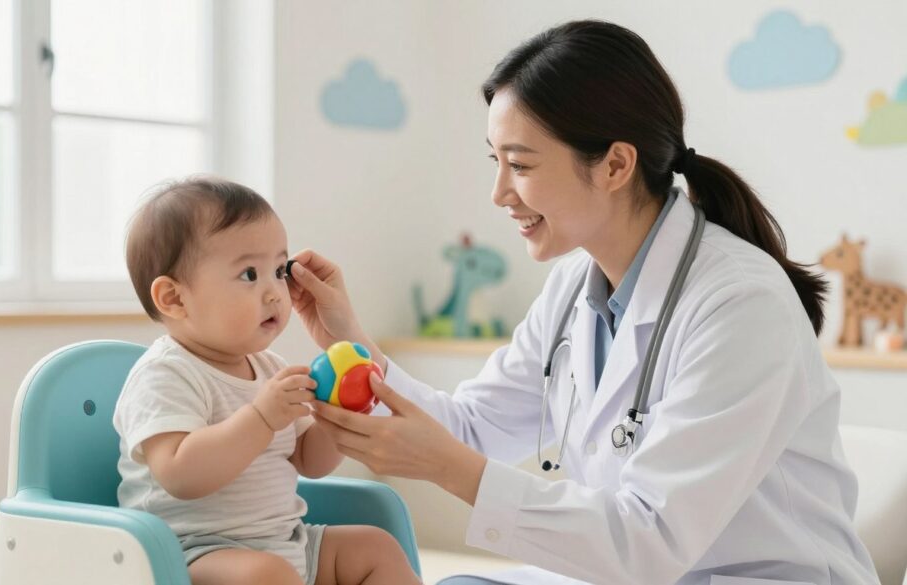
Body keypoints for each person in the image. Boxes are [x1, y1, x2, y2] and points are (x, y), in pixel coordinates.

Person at [283, 21, 881, 585]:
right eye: (496, 162)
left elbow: (650, 539)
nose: (499, 194)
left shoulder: (740, 304)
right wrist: (349, 345)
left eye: (520, 164)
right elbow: (474, 427)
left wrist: (447, 468)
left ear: (616, 164)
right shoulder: (574, 286)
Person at [113, 176, 420, 585]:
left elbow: (310, 462)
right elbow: (179, 474)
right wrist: (260, 418)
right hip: (188, 556)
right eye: (249, 274)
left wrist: (337, 416)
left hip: (285, 543)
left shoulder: (269, 367)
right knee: (266, 575)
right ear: (174, 298)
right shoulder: (165, 374)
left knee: (375, 549)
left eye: (279, 270)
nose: (276, 291)